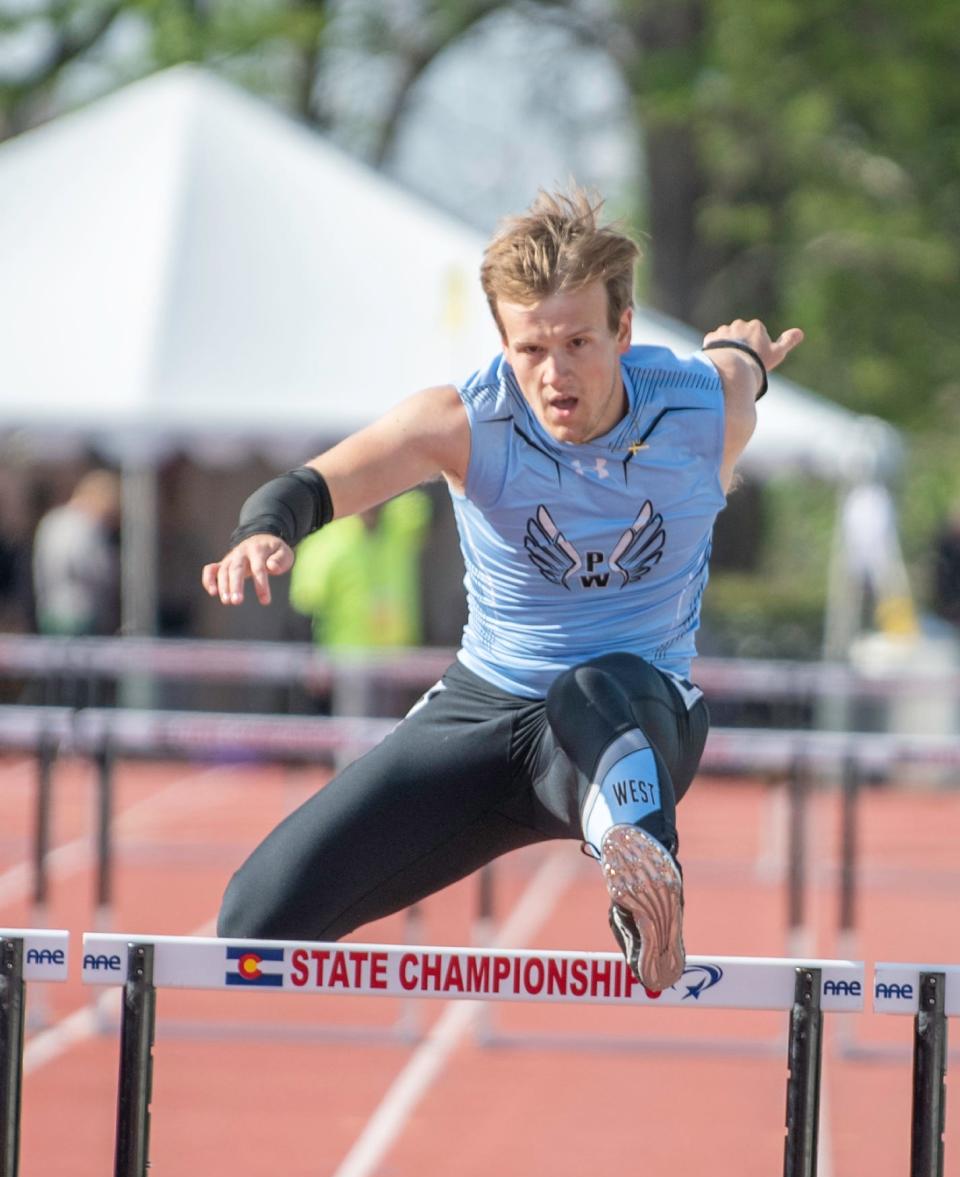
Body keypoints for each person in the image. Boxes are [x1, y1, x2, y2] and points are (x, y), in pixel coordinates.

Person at [202, 188, 803, 989]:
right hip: (486, 718)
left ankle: (642, 871)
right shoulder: (465, 421)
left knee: (592, 686)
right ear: (502, 343)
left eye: (580, 342)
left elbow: (737, 371)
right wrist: (263, 531)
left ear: (624, 331)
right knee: (252, 930)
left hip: (638, 712)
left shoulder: (700, 412)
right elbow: (314, 484)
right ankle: (623, 841)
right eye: (530, 350)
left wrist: (746, 359)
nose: (556, 375)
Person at [288, 489, 431, 649]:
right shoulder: (324, 542)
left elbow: (423, 490)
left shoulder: (401, 524)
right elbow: (305, 610)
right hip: (345, 660)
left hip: (400, 660)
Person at [32, 469, 121, 636]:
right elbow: (93, 568)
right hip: (80, 613)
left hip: (49, 608)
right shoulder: (86, 525)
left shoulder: (51, 520)